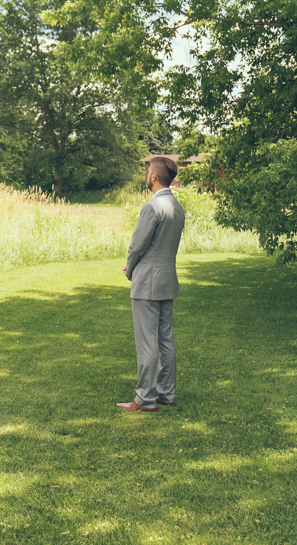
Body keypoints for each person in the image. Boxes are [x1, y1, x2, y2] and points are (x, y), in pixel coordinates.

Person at [117, 156, 186, 412]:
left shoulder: (152, 207)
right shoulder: (177, 207)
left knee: (147, 341)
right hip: (167, 278)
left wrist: (130, 268)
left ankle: (144, 399)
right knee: (165, 339)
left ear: (154, 176)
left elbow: (137, 245)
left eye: (148, 172)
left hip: (147, 281)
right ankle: (166, 393)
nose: (146, 176)